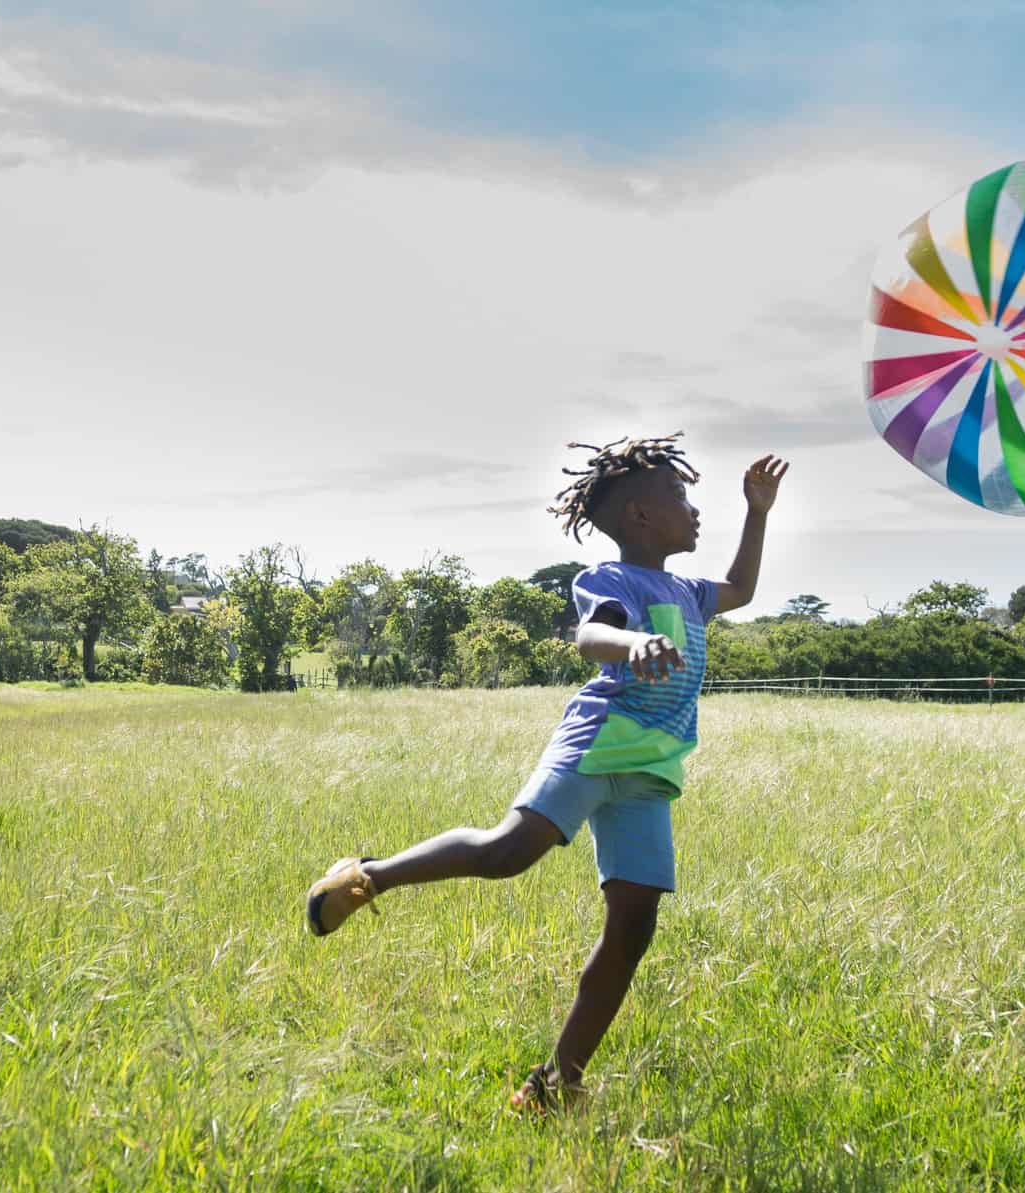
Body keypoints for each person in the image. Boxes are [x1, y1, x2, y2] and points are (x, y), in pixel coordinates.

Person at [304, 432, 790, 1114]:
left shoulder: (687, 589)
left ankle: (554, 1085)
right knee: (506, 852)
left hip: (650, 769)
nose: (691, 508)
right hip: (596, 744)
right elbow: (592, 635)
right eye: (678, 496)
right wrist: (633, 643)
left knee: (634, 924)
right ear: (638, 517)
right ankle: (363, 874)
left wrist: (757, 511)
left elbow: (739, 588)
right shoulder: (610, 579)